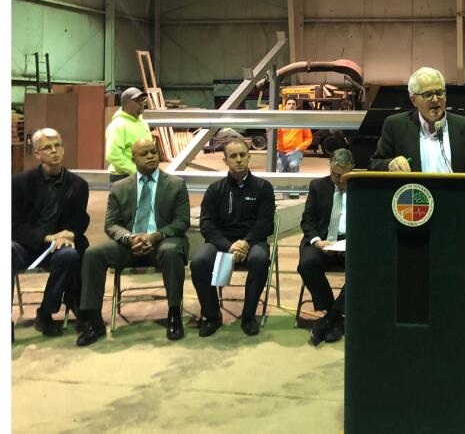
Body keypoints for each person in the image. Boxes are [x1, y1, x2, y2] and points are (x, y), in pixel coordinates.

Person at [76, 139, 190, 346]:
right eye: (144, 153)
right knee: (93, 254)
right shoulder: (119, 188)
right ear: (133, 158)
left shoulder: (176, 185)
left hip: (162, 243)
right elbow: (111, 224)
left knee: (172, 251)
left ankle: (174, 314)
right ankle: (93, 321)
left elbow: (182, 222)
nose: (151, 157)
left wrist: (154, 236)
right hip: (130, 244)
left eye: (153, 152)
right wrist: (131, 238)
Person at [190, 138, 276, 337]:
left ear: (249, 157)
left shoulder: (263, 188)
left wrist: (245, 243)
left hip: (253, 242)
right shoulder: (215, 190)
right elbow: (207, 225)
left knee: (260, 259)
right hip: (222, 243)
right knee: (199, 262)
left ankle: (248, 317)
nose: (239, 160)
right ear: (225, 161)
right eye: (233, 156)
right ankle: (212, 316)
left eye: (242, 155)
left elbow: (265, 223)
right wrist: (229, 246)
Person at [12, 128, 90, 337]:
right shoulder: (18, 184)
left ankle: (45, 313)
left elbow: (80, 218)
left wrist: (70, 234)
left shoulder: (78, 185)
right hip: (26, 245)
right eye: (47, 147)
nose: (54, 151)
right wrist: (46, 237)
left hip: (57, 247)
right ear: (37, 154)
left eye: (58, 146)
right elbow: (14, 225)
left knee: (70, 255)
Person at [370, 67, 465, 175]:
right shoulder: (395, 126)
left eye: (439, 93)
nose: (435, 100)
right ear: (414, 100)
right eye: (428, 95)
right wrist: (390, 165)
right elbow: (374, 164)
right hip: (413, 197)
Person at [297, 148, 354, 347]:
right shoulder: (318, 186)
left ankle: (330, 318)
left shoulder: (362, 187)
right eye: (334, 175)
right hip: (322, 241)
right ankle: (335, 314)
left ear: (352, 169)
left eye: (342, 176)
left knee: (364, 266)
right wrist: (316, 241)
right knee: (307, 264)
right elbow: (308, 220)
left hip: (350, 243)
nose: (338, 180)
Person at [106, 87, 152, 183]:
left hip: (142, 175)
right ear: (126, 104)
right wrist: (134, 170)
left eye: (142, 100)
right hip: (123, 177)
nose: (141, 103)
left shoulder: (143, 123)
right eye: (136, 100)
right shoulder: (118, 125)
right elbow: (113, 155)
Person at [276, 98, 313, 174]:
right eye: (289, 104)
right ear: (285, 106)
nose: (291, 106)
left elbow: (308, 138)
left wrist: (299, 148)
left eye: (293, 104)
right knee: (280, 171)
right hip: (281, 152)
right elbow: (273, 137)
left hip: (295, 152)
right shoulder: (279, 120)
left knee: (293, 165)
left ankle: (294, 185)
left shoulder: (302, 121)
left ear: (296, 107)